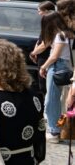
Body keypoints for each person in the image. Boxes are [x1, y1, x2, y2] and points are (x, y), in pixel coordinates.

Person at [32, 12, 74, 142]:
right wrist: (34, 53)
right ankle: (56, 129)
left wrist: (43, 66)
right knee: (55, 100)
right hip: (63, 65)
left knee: (51, 100)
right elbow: (45, 44)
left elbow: (55, 55)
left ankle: (54, 131)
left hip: (57, 66)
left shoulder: (60, 36)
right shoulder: (66, 34)